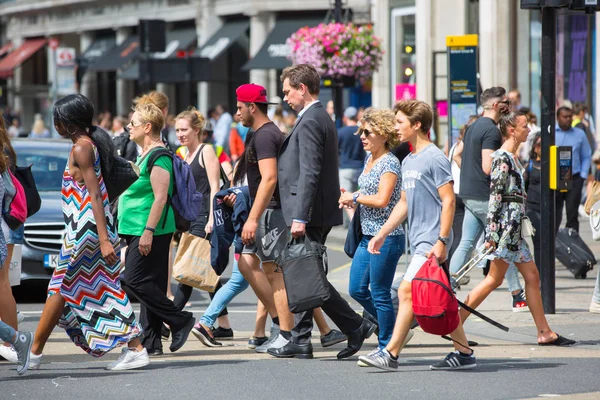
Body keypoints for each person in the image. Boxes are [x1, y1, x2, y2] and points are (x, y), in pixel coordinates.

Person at [28, 94, 147, 371]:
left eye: (57, 119)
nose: (54, 123)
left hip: (87, 230)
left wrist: (105, 240)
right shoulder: (85, 144)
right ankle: (134, 347)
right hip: (83, 229)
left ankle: (32, 353)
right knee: (94, 288)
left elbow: (95, 194)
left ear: (69, 124)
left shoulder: (82, 148)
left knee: (65, 287)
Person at [358, 99, 474, 371]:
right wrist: (382, 234)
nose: (395, 128)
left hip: (433, 239)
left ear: (417, 124)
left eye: (400, 122)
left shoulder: (433, 157)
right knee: (439, 298)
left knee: (407, 290)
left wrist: (442, 241)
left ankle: (390, 353)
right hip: (422, 239)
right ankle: (465, 353)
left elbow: (449, 201)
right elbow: (404, 203)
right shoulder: (408, 159)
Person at [277, 64, 374, 360]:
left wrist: (299, 217)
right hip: (315, 210)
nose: (285, 98)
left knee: (310, 276)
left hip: (310, 213)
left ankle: (354, 325)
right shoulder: (319, 116)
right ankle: (301, 339)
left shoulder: (310, 120)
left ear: (302, 88)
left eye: (287, 91)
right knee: (305, 273)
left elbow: (310, 172)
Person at [460, 111, 575, 348]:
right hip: (505, 232)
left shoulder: (511, 157)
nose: (528, 130)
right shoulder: (502, 157)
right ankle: (456, 324)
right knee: (493, 280)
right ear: (512, 130)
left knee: (531, 276)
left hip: (513, 232)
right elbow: (495, 196)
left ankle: (544, 332)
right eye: (524, 126)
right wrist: (492, 234)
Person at [118, 102, 195, 357]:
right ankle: (152, 341)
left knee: (134, 280)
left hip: (149, 228)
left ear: (147, 127)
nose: (129, 127)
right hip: (138, 228)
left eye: (134, 124)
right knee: (151, 284)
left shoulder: (159, 155)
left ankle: (179, 319)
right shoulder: (145, 153)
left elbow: (161, 197)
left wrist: (148, 231)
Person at [448, 87, 527, 312]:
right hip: (484, 197)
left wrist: (468, 175)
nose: (508, 105)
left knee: (466, 242)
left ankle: (447, 287)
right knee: (505, 244)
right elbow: (487, 166)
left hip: (469, 193)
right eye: (504, 102)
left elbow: (457, 154)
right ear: (495, 105)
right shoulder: (491, 130)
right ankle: (517, 295)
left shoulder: (473, 126)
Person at [338, 107, 405, 350]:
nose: (362, 136)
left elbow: (382, 199)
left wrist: (354, 197)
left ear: (385, 135)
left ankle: (387, 345)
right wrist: (351, 198)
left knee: (380, 293)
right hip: (368, 236)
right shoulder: (369, 159)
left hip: (387, 237)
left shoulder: (389, 163)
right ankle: (395, 328)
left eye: (368, 131)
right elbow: (368, 195)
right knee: (356, 289)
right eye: (361, 131)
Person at [167, 107, 228, 345]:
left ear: (197, 130)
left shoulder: (207, 151)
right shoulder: (183, 153)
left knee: (187, 273)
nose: (180, 134)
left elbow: (215, 187)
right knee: (207, 270)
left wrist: (213, 218)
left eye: (184, 130)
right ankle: (224, 325)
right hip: (189, 217)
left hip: (204, 217)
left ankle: (169, 322)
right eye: (178, 130)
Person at [448, 115, 479, 278]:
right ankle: (457, 271)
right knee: (464, 238)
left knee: (458, 235)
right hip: (467, 193)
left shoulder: (455, 146)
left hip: (455, 192)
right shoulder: (471, 148)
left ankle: (454, 271)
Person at [555, 106, 592, 232]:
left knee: (572, 214)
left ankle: (572, 242)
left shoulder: (579, 134)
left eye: (570, 116)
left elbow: (586, 155)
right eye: (565, 117)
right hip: (556, 177)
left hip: (575, 177)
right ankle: (555, 242)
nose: (568, 119)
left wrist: (583, 176)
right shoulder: (551, 133)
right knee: (555, 213)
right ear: (558, 118)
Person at [338, 106, 365, 222]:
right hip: (360, 167)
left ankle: (353, 222)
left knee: (346, 198)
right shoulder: (361, 132)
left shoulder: (341, 132)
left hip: (345, 168)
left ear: (345, 118)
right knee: (359, 198)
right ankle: (357, 221)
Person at [524, 132, 542, 270]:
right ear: (534, 147)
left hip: (549, 209)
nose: (541, 148)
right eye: (539, 145)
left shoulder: (552, 163)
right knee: (538, 241)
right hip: (532, 207)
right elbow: (523, 187)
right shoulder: (529, 165)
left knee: (548, 242)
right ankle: (540, 273)